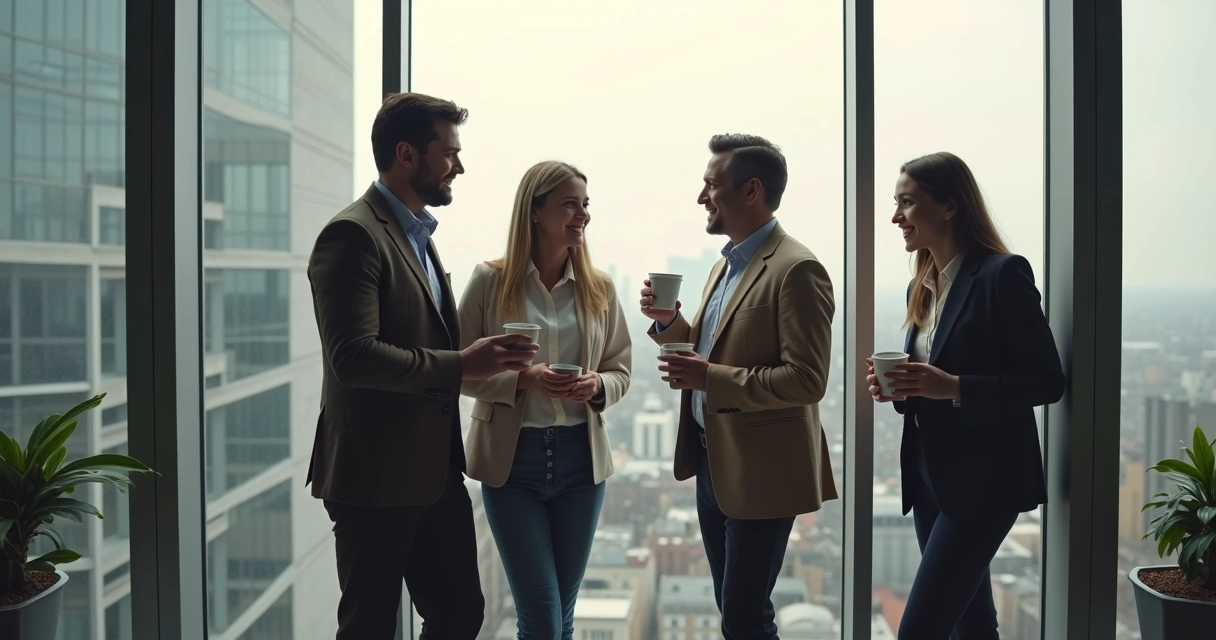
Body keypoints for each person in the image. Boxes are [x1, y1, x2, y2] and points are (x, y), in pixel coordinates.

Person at [307, 92, 539, 639]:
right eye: (450, 153)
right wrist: (461, 365)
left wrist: (484, 363)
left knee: (460, 615)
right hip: (374, 476)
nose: (459, 166)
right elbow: (352, 357)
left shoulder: (418, 235)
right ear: (407, 154)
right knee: (370, 627)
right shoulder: (353, 234)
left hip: (434, 474)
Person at [640, 134, 836, 639]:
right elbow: (713, 350)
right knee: (736, 613)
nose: (701, 196)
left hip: (764, 471)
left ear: (751, 191)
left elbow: (807, 379)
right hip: (715, 463)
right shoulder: (724, 266)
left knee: (745, 617)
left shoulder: (797, 269)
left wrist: (709, 378)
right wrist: (669, 324)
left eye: (711, 185)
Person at [867, 152, 1064, 639]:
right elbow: (930, 381)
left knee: (920, 629)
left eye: (907, 203)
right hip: (929, 477)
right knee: (971, 627)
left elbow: (1047, 381)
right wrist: (900, 388)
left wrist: (953, 387)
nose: (895, 217)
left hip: (984, 481)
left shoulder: (1001, 274)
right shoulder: (921, 286)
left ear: (949, 207)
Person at [457, 161, 632, 640]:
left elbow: (621, 370)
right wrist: (524, 380)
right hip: (512, 465)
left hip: (582, 463)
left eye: (586, 204)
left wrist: (598, 386)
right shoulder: (489, 281)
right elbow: (457, 369)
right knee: (542, 620)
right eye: (570, 204)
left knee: (562, 618)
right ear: (534, 211)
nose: (583, 215)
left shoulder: (600, 288)